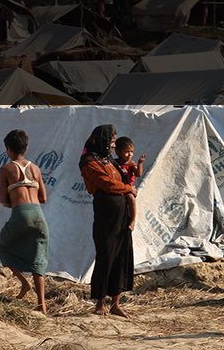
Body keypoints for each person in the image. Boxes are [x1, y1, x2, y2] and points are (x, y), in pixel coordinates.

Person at [80, 124, 135, 317]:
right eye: (111, 141)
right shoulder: (89, 161)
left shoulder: (109, 160)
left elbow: (124, 177)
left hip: (121, 215)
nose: (113, 146)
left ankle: (116, 303)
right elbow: (106, 183)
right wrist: (128, 189)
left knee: (121, 256)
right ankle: (100, 302)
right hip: (105, 215)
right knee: (106, 255)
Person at [0, 129, 49, 312]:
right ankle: (41, 304)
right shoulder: (36, 169)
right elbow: (43, 198)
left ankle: (23, 282)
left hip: (20, 213)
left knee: (3, 247)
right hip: (39, 215)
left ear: (8, 149)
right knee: (39, 259)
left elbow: (3, 200)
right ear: (26, 147)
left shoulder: (6, 169)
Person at [114, 136, 147, 231]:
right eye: (127, 152)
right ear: (118, 152)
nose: (130, 154)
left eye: (132, 152)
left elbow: (139, 174)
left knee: (131, 198)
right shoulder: (114, 163)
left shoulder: (131, 164)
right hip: (117, 188)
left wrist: (140, 163)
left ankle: (132, 221)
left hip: (128, 188)